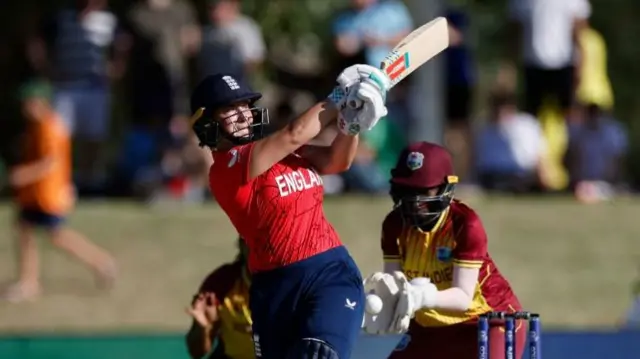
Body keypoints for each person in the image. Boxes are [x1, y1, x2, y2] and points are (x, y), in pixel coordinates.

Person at [188, 65, 390, 359]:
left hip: (330, 273)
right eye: (230, 109)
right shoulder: (226, 170)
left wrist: (351, 124)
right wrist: (339, 96)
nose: (244, 113)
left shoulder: (280, 153)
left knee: (319, 354)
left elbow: (337, 162)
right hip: (274, 290)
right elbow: (295, 133)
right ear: (206, 120)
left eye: (245, 105)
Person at [362, 142, 524, 359]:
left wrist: (421, 297)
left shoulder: (465, 224)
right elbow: (395, 284)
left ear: (446, 188)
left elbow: (463, 298)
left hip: (487, 321)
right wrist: (382, 307)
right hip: (430, 327)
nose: (415, 201)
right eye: (408, 190)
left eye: (423, 190)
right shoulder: (394, 224)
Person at [2, 80, 116, 302]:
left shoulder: (51, 127)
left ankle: (102, 262)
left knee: (58, 236)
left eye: (29, 103)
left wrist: (23, 174)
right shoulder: (37, 126)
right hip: (34, 194)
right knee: (25, 231)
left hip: (48, 195)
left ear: (41, 103)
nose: (25, 108)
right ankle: (28, 282)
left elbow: (50, 163)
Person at [185, 238, 253, 359]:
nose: (260, 251)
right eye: (254, 242)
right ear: (242, 245)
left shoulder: (289, 284)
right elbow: (197, 351)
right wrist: (204, 328)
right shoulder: (221, 283)